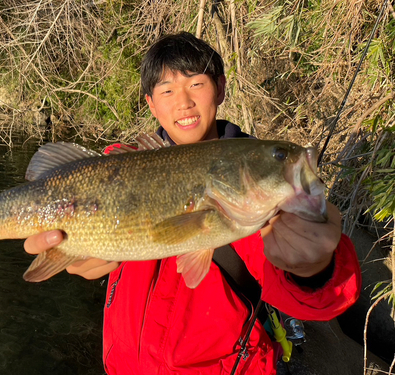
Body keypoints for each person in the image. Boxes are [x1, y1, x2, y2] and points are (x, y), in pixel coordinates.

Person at [24, 32, 361, 374]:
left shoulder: (261, 194)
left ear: (221, 88)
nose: (183, 102)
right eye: (167, 91)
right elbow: (80, 247)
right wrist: (72, 256)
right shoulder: (113, 167)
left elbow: (320, 300)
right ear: (151, 104)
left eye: (196, 84)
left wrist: (315, 270)